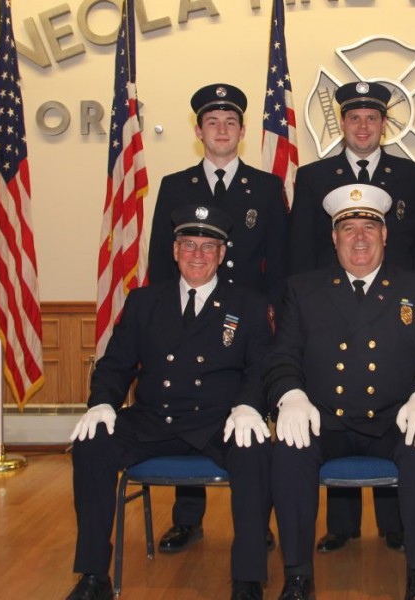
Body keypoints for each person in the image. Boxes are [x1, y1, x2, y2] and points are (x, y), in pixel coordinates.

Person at [65, 205, 273, 600]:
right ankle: (93, 575)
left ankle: (248, 580)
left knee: (256, 449)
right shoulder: (144, 302)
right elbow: (115, 364)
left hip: (217, 422)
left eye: (208, 247)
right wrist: (102, 403)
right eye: (189, 245)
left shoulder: (247, 304)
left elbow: (260, 367)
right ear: (175, 250)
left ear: (222, 254)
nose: (198, 254)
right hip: (153, 419)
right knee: (91, 442)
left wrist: (249, 406)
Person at [267, 184, 415, 600]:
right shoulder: (303, 290)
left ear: (385, 234)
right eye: (348, 228)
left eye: (369, 226)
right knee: (289, 450)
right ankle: (297, 576)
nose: (360, 237)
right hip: (326, 421)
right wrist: (290, 395)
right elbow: (282, 357)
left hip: (393, 420)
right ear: (334, 237)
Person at [287, 81, 415, 553]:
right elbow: (302, 254)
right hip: (330, 312)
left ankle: (397, 526)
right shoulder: (313, 177)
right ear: (342, 123)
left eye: (372, 118)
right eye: (354, 118)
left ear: (383, 124)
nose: (362, 126)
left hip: (398, 313)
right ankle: (342, 526)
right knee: (336, 400)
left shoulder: (412, 176)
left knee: (391, 404)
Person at [147, 83, 287, 554]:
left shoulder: (265, 188)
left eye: (230, 122)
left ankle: (256, 521)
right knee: (186, 408)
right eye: (212, 122)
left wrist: (272, 319)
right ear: (199, 131)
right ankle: (187, 519)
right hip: (187, 321)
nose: (221, 130)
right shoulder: (174, 186)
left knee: (252, 418)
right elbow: (160, 263)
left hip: (245, 326)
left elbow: (279, 263)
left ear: (243, 131)